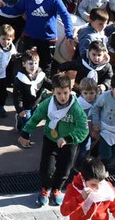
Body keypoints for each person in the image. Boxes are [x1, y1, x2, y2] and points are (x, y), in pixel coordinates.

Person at [18, 74, 90, 207]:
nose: (63, 97)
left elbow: (83, 129)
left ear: (70, 90)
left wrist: (68, 138)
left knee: (64, 170)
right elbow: (35, 118)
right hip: (50, 140)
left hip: (69, 143)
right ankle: (45, 189)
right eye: (59, 93)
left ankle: (57, 189)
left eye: (65, 93)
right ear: (53, 92)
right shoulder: (47, 104)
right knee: (46, 168)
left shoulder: (76, 108)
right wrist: (25, 133)